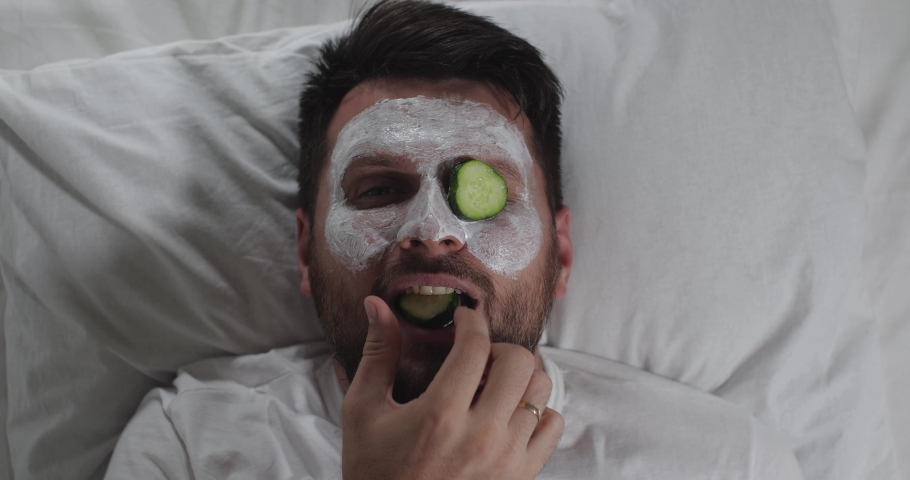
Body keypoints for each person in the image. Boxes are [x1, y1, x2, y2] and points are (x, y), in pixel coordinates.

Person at [105, 1, 805, 478]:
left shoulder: (722, 461)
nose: (432, 230)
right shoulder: (188, 448)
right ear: (304, 254)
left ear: (560, 254)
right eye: (380, 189)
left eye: (484, 191)